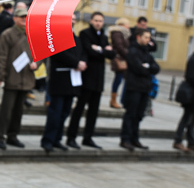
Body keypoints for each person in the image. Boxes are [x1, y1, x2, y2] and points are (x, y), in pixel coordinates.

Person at [66, 12, 115, 150]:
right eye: (96, 20)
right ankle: (71, 137)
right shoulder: (85, 34)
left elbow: (112, 54)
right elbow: (89, 51)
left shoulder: (104, 37)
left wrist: (99, 49)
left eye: (101, 21)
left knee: (93, 112)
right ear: (91, 21)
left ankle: (88, 137)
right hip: (87, 78)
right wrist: (103, 50)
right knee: (79, 109)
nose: (98, 23)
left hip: (99, 81)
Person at [0, 8, 38, 150]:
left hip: (27, 79)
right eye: (21, 17)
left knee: (19, 111)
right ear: (14, 18)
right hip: (12, 78)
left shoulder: (33, 34)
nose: (24, 19)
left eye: (26, 17)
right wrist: (0, 76)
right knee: (6, 111)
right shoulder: (7, 34)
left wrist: (37, 63)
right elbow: (1, 57)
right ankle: (0, 137)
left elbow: (42, 53)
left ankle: (13, 136)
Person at [41, 14, 87, 152]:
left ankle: (57, 139)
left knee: (65, 113)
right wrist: (76, 63)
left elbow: (82, 53)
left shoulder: (76, 38)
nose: (72, 22)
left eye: (74, 20)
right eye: (70, 19)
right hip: (59, 80)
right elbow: (59, 53)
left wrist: (83, 62)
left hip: (72, 81)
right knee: (55, 112)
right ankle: (48, 140)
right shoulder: (56, 36)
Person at [119, 28, 160, 151]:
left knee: (139, 115)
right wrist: (147, 68)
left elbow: (156, 68)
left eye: (149, 38)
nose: (148, 40)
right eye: (146, 37)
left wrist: (147, 66)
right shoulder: (133, 51)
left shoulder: (147, 52)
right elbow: (138, 68)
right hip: (134, 87)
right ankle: (125, 139)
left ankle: (134, 139)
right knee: (130, 114)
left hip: (145, 88)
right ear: (139, 37)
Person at [173, 40, 194, 153]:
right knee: (186, 118)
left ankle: (191, 143)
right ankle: (178, 140)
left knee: (193, 119)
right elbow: (191, 78)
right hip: (191, 95)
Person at [108, 17, 131, 109]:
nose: (128, 26)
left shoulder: (123, 33)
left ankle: (116, 100)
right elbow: (119, 46)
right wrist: (127, 55)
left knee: (120, 79)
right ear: (122, 25)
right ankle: (113, 100)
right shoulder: (118, 33)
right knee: (118, 79)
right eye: (127, 24)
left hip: (122, 59)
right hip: (119, 59)